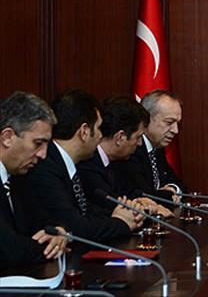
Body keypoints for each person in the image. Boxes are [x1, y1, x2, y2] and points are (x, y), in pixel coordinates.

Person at [26, 90, 143, 242]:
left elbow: (87, 211)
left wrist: (124, 214)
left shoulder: (67, 163)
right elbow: (76, 226)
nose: (101, 135)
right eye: (99, 128)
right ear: (84, 131)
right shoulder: (45, 168)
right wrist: (122, 223)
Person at [0, 91, 68, 267]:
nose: (43, 155)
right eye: (38, 143)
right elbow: (9, 251)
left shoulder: (18, 177)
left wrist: (59, 233)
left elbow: (44, 221)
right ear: (7, 137)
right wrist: (51, 247)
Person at [77, 96, 173, 217]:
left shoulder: (118, 162)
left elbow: (129, 193)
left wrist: (140, 201)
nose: (140, 144)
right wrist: (142, 209)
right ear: (120, 137)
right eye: (138, 137)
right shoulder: (88, 165)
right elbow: (108, 205)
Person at [113, 90, 186, 201]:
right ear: (147, 118)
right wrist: (168, 194)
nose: (175, 130)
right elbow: (143, 195)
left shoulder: (157, 148)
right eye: (169, 122)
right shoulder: (132, 148)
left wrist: (173, 188)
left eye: (177, 124)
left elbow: (180, 184)